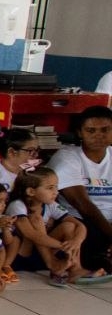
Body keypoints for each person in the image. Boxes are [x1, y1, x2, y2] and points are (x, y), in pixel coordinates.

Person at [7, 168, 100, 282]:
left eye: (56, 187)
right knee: (36, 219)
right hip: (21, 256)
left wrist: (76, 241)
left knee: (69, 226)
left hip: (40, 255)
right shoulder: (17, 205)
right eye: (50, 188)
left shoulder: (50, 205)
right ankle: (53, 264)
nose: (56, 192)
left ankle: (75, 268)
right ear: (31, 191)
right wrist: (63, 246)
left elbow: (80, 225)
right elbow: (31, 234)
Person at [49, 106, 112, 274]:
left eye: (105, 130)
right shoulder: (67, 157)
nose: (98, 135)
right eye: (91, 130)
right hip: (83, 219)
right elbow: (82, 204)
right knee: (89, 235)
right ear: (79, 132)